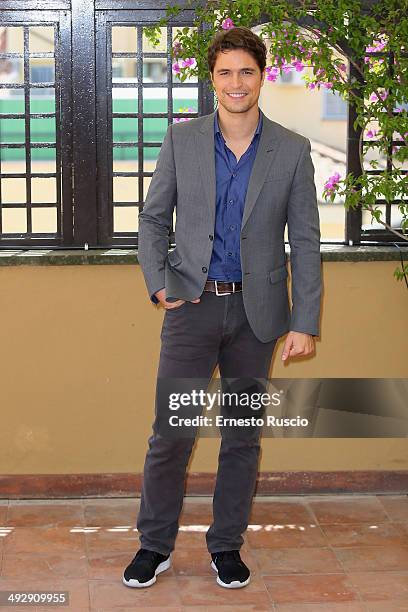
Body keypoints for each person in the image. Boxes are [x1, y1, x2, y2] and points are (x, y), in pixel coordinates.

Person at [123, 25, 321, 589]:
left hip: (258, 318)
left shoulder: (292, 149)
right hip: (192, 308)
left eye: (247, 72)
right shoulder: (181, 142)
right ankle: (153, 544)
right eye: (225, 72)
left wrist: (304, 320)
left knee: (241, 437)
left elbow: (305, 240)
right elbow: (153, 219)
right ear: (212, 80)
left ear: (263, 76)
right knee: (172, 433)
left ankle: (226, 546)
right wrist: (160, 282)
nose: (237, 83)